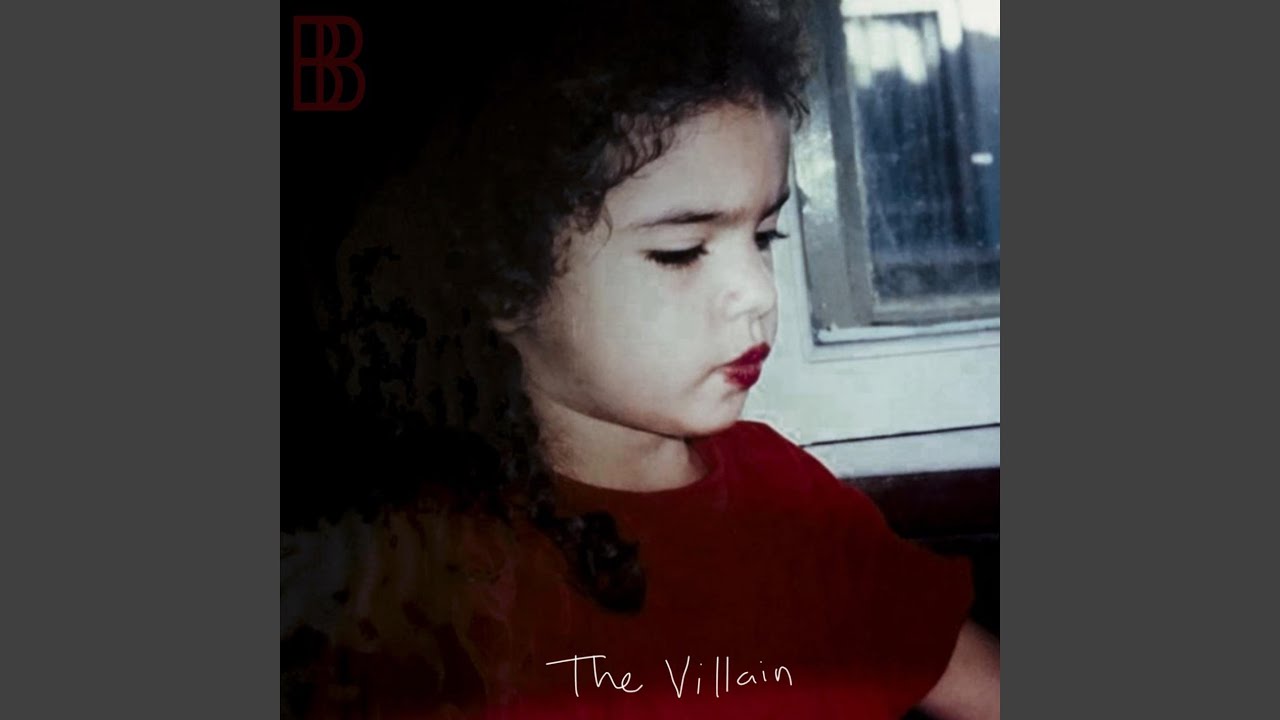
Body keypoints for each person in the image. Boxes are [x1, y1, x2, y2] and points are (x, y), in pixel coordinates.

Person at [281, 1, 1000, 718]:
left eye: (764, 236)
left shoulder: (788, 496)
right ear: (501, 279)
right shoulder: (419, 586)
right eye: (680, 252)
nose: (757, 293)